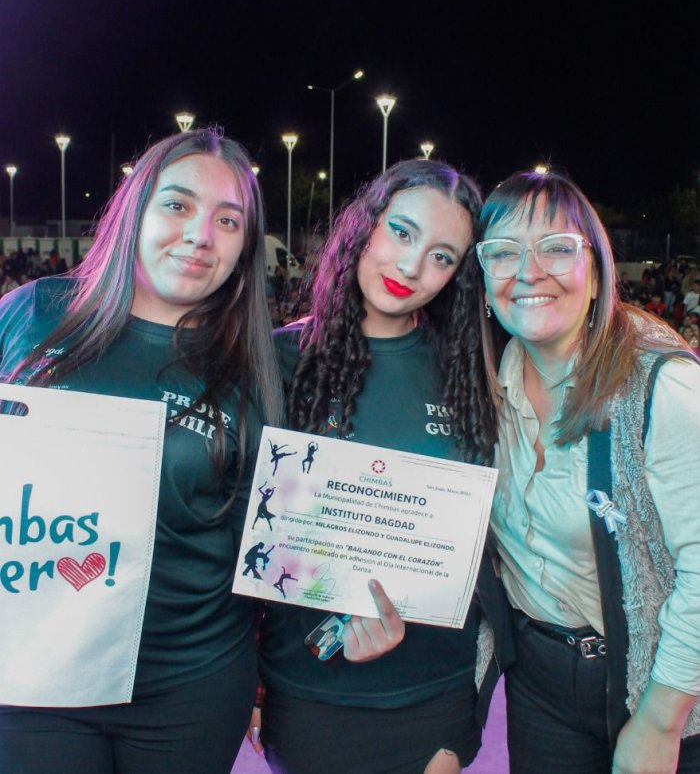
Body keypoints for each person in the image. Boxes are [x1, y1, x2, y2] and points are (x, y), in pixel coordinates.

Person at [0, 128, 283, 774]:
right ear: (136, 211)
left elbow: (259, 543)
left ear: (244, 248)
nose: (200, 235)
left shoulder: (255, 366)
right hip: (35, 673)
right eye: (177, 205)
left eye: (228, 220)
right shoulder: (32, 315)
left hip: (189, 685)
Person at [257, 159, 514, 774]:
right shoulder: (278, 361)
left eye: (442, 256)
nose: (411, 267)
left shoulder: (471, 371)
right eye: (401, 233)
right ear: (363, 227)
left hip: (433, 695)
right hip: (307, 691)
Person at [475, 169, 700, 774]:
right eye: (502, 252)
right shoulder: (482, 381)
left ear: (597, 271)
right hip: (539, 681)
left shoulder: (663, 388)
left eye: (556, 248)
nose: (527, 271)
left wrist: (661, 719)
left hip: (658, 679)